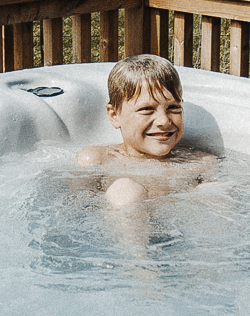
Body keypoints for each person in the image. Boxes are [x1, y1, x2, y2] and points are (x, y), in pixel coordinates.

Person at [76, 54, 217, 205]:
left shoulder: (201, 164)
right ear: (114, 115)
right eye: (147, 109)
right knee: (125, 190)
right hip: (121, 224)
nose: (164, 121)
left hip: (180, 225)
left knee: (213, 190)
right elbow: (77, 208)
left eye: (174, 107)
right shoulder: (98, 159)